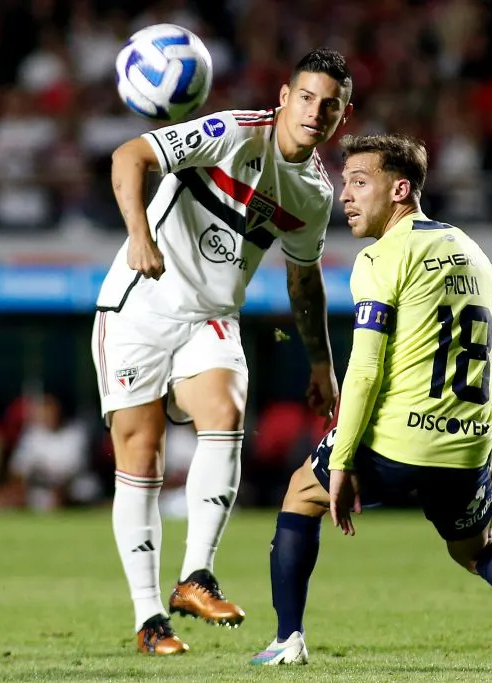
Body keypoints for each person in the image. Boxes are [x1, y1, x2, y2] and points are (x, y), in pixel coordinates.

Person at [250, 133, 492, 668]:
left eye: (360, 182)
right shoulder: (475, 254)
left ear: (400, 189)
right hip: (465, 447)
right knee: (476, 550)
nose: (346, 196)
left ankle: (288, 639)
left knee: (300, 494)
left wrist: (340, 461)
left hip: (397, 442)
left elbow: (363, 369)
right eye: (345, 184)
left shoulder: (380, 258)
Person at [92, 48, 352, 655]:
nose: (317, 112)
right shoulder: (231, 132)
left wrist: (321, 362)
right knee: (142, 454)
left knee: (226, 411)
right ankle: (148, 617)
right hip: (141, 306)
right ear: (286, 97)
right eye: (308, 97)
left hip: (211, 315)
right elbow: (129, 155)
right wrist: (138, 236)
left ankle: (196, 577)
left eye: (331, 105)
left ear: (342, 116)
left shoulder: (313, 194)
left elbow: (303, 278)